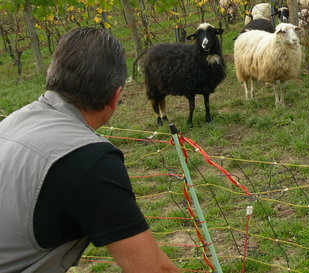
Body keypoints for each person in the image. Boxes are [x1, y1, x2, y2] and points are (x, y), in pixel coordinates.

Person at [0, 27, 179, 273]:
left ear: (53, 76)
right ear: (115, 97)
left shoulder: (11, 122)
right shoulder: (88, 160)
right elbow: (153, 269)